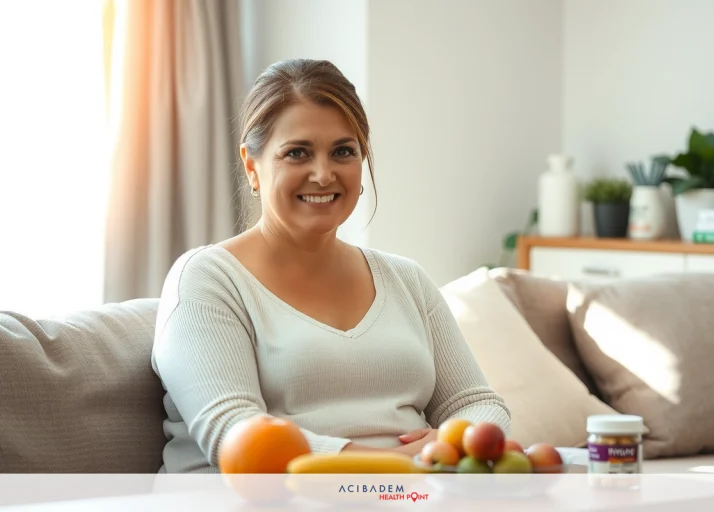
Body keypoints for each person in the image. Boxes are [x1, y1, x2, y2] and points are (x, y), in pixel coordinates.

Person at [151, 58, 511, 474]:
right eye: (297, 153)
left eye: (343, 151)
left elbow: (477, 403)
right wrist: (400, 463)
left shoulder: (406, 279)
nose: (323, 174)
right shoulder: (207, 279)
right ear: (252, 166)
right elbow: (235, 434)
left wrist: (455, 442)